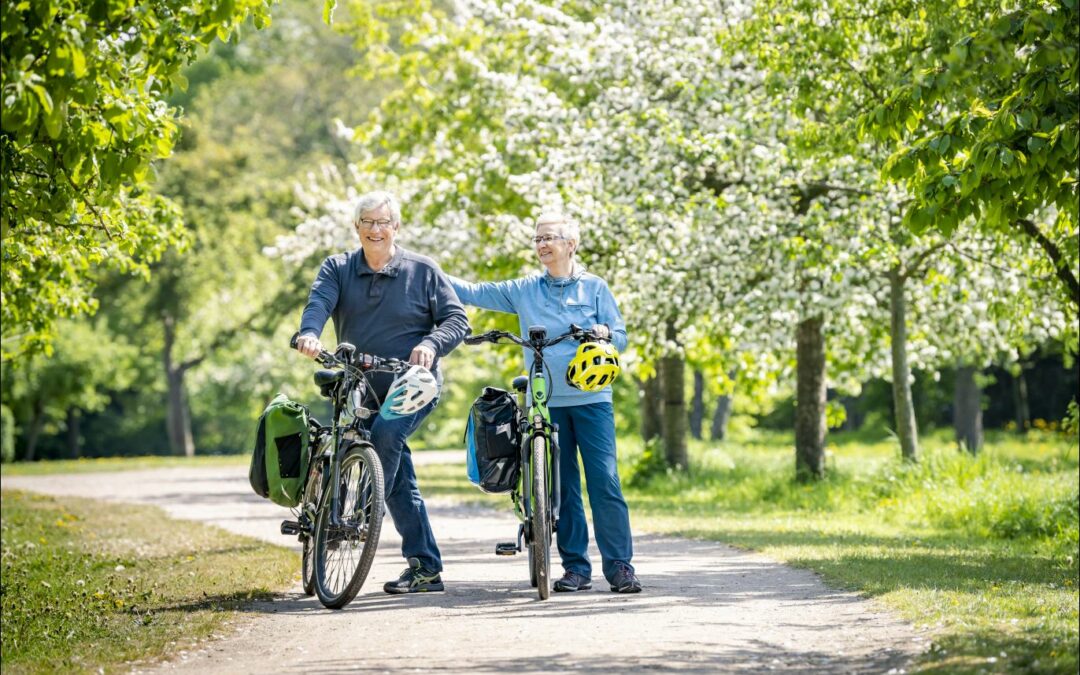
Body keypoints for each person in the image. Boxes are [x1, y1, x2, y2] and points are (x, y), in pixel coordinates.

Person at [448, 211, 642, 593]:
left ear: (571, 244)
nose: (541, 244)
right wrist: (422, 270)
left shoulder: (595, 289)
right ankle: (576, 569)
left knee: (605, 481)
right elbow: (473, 291)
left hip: (591, 400)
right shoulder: (524, 290)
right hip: (546, 402)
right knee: (563, 486)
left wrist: (604, 332)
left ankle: (620, 567)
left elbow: (620, 337)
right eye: (537, 239)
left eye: (549, 238)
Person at [295, 190, 469, 594]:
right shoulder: (338, 268)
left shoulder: (423, 270)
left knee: (386, 436)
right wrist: (309, 333)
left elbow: (457, 320)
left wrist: (430, 345)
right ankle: (425, 566)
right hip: (359, 382)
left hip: (412, 382)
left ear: (396, 227)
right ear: (357, 227)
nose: (376, 230)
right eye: (368, 222)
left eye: (383, 222)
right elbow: (319, 302)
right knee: (392, 464)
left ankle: (358, 518)